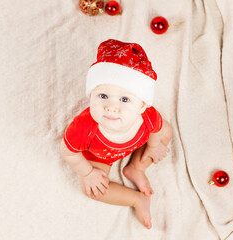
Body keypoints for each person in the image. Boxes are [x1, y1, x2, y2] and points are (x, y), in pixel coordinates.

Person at [60, 39, 172, 229]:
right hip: (98, 155)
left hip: (138, 141)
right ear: (91, 95)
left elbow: (157, 129)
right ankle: (137, 200)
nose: (111, 107)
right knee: (93, 189)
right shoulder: (83, 127)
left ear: (142, 105)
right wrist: (87, 173)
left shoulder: (148, 117)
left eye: (125, 99)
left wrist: (153, 146)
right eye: (102, 96)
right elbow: (68, 152)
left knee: (165, 132)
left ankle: (136, 167)